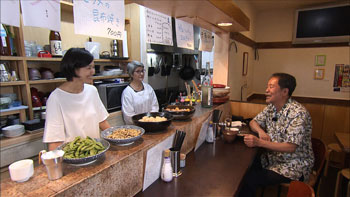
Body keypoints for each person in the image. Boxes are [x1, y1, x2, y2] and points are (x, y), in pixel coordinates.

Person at [238, 73, 314, 197]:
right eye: (267, 86)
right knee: (243, 169)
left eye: (271, 87)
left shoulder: (298, 113)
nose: (266, 90)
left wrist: (259, 142)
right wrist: (261, 132)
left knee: (248, 180)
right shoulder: (272, 108)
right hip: (273, 160)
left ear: (284, 92)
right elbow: (253, 122)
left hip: (292, 166)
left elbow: (291, 147)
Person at [43, 48, 110, 151]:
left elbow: (102, 122)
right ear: (74, 69)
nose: (93, 71)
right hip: (72, 158)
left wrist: (118, 139)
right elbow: (55, 141)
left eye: (93, 67)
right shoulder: (56, 98)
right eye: (89, 68)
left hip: (96, 152)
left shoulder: (92, 91)